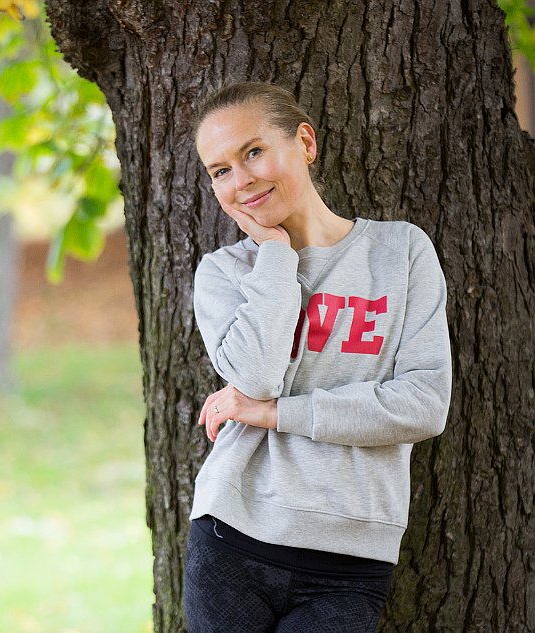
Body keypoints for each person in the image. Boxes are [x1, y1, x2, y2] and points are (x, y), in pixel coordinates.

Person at [185, 81, 453, 633]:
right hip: (234, 535)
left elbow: (425, 405)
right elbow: (256, 376)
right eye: (220, 171)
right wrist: (277, 255)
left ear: (304, 142)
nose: (242, 180)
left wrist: (276, 414)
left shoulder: (400, 253)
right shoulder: (225, 273)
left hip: (352, 559)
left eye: (253, 151)